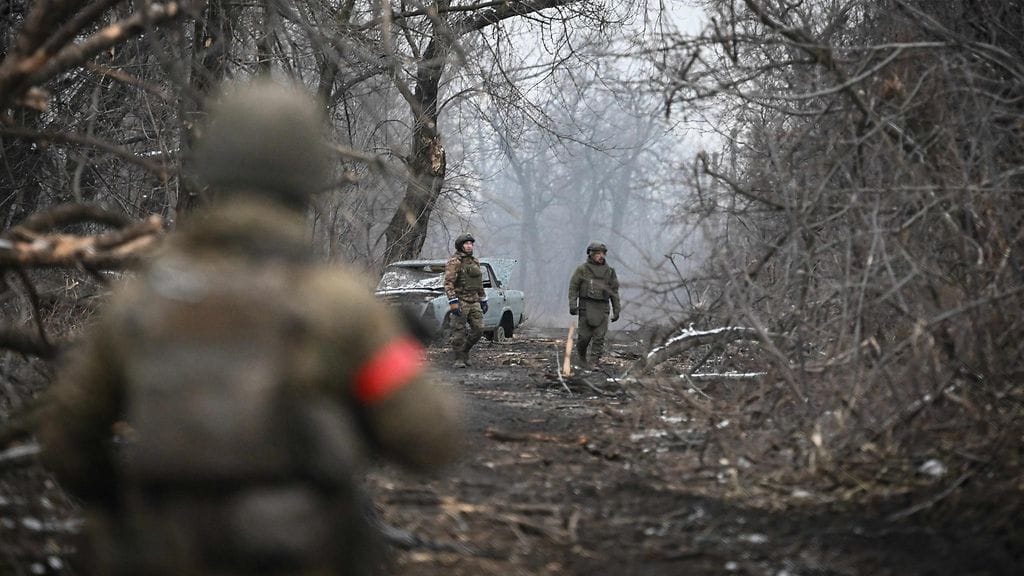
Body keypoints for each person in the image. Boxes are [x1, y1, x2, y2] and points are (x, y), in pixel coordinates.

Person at [38, 80, 463, 576]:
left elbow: (68, 439)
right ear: (307, 178)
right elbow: (433, 439)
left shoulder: (141, 300)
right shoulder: (339, 306)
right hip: (300, 551)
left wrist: (130, 505)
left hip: (154, 551)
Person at [567, 241, 621, 369]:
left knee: (599, 337)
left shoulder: (609, 272)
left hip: (603, 307)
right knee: (584, 338)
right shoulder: (582, 270)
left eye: (603, 253)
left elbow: (614, 291)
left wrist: (617, 309)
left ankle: (594, 362)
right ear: (591, 254)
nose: (601, 256)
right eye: (597, 253)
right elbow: (573, 287)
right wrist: (573, 304)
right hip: (586, 307)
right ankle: (581, 357)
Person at [443, 233, 488, 368]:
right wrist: (453, 301)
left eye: (471, 244)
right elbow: (448, 282)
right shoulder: (454, 261)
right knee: (458, 332)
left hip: (474, 300)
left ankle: (464, 351)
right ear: (461, 246)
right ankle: (458, 359)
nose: (469, 246)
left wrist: (483, 298)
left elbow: (478, 282)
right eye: (466, 244)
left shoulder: (475, 261)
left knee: (479, 330)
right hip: (460, 299)